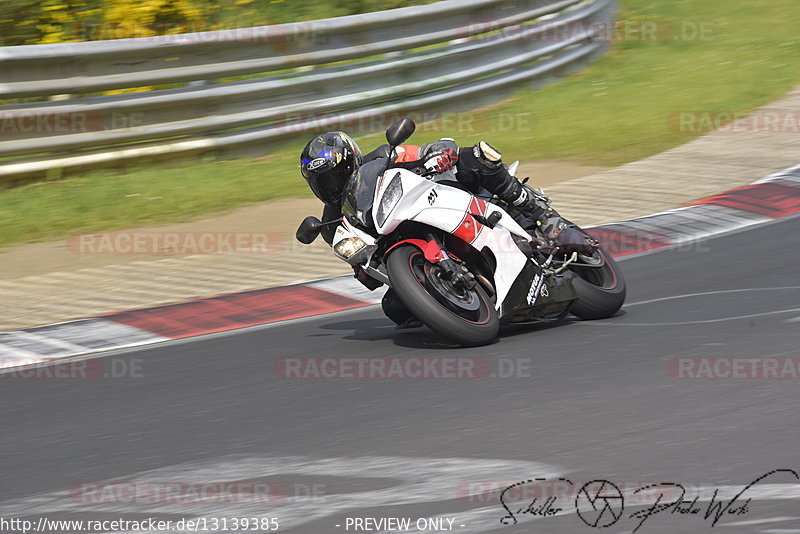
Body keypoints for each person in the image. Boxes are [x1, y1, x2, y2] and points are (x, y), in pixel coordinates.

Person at [299, 130, 585, 251]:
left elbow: (420, 150)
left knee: (475, 156)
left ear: (350, 159)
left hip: (441, 195)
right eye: (321, 182)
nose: (330, 185)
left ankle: (542, 213)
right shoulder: (332, 223)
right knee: (396, 311)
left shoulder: (381, 156)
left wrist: (437, 154)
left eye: (333, 175)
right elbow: (367, 276)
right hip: (407, 238)